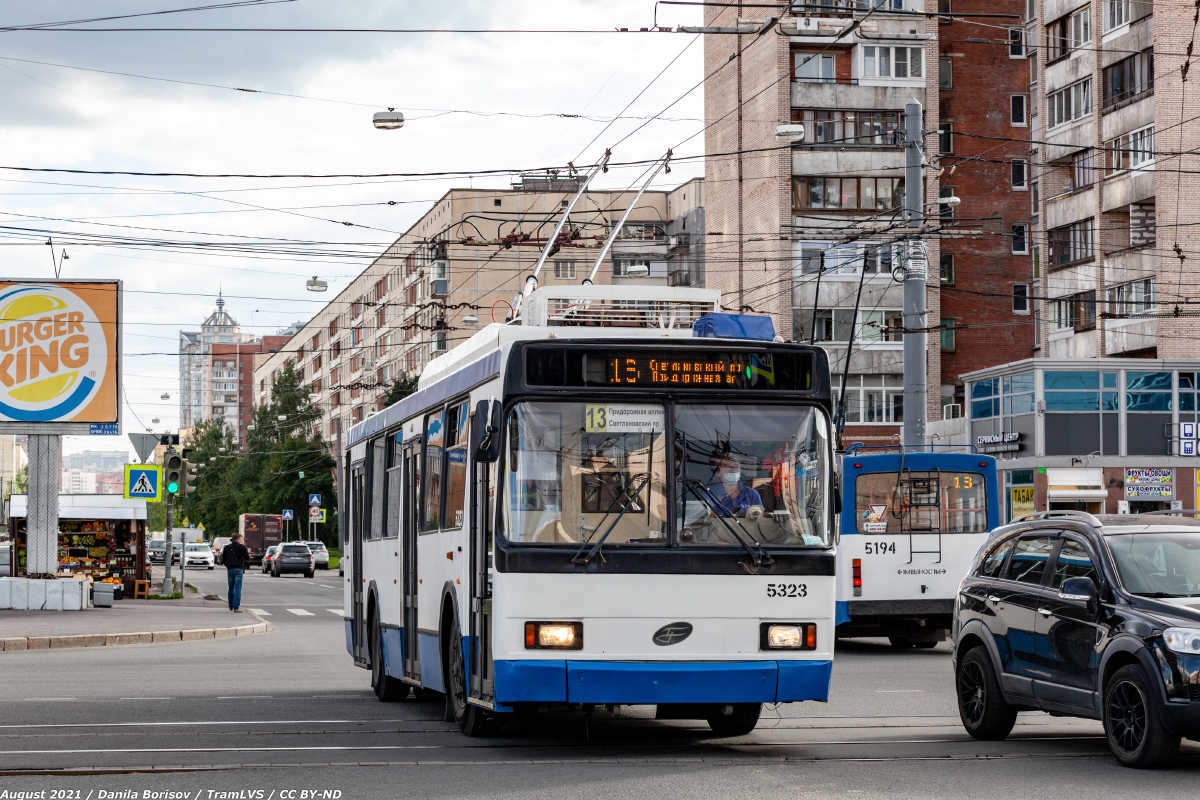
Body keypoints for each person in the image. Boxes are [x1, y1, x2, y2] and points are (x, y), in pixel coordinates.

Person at [221, 533, 251, 612]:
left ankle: (230, 606)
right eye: (241, 539)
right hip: (238, 569)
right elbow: (247, 557)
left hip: (230, 569)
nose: (241, 540)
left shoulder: (227, 547)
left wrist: (228, 566)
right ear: (238, 539)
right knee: (237, 588)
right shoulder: (241, 547)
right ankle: (236, 607)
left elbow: (223, 559)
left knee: (231, 588)